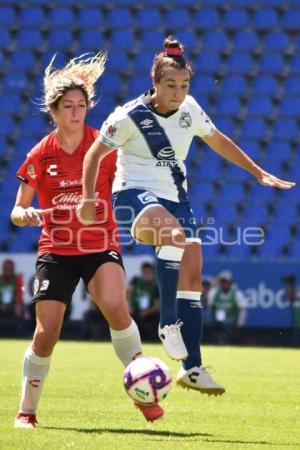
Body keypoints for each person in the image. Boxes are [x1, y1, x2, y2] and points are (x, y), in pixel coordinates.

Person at [77, 36, 295, 395]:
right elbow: (93, 156)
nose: (178, 93)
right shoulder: (128, 117)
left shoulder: (190, 109)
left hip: (177, 199)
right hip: (132, 196)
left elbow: (218, 139)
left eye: (184, 85)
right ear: (155, 84)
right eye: (170, 86)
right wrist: (87, 199)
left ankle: (192, 368)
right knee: (174, 236)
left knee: (192, 273)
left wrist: (258, 172)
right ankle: (167, 325)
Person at [11, 52, 163, 428]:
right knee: (46, 335)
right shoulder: (40, 154)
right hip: (56, 251)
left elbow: (130, 178)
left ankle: (143, 393)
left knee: (115, 305)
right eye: (69, 106)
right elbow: (17, 210)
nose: (77, 112)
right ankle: (26, 411)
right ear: (54, 110)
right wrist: (24, 215)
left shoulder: (103, 146)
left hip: (100, 245)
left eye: (82, 105)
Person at [208, 270, 247, 344]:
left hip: (230, 317)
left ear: (230, 282)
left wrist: (240, 324)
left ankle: (225, 340)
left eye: (226, 282)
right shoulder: (214, 292)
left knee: (227, 323)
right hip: (215, 317)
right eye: (222, 282)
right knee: (208, 321)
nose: (224, 284)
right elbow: (209, 306)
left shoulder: (236, 293)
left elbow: (243, 309)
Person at [127, 262, 160, 341]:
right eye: (145, 273)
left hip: (150, 313)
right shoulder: (135, 281)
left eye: (149, 273)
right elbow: (128, 293)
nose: (146, 276)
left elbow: (157, 305)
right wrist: (130, 306)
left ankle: (152, 339)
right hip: (135, 310)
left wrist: (146, 312)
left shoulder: (156, 286)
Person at [282, 275, 300, 347]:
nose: (285, 289)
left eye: (287, 286)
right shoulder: (292, 298)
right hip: (297, 327)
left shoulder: (296, 293)